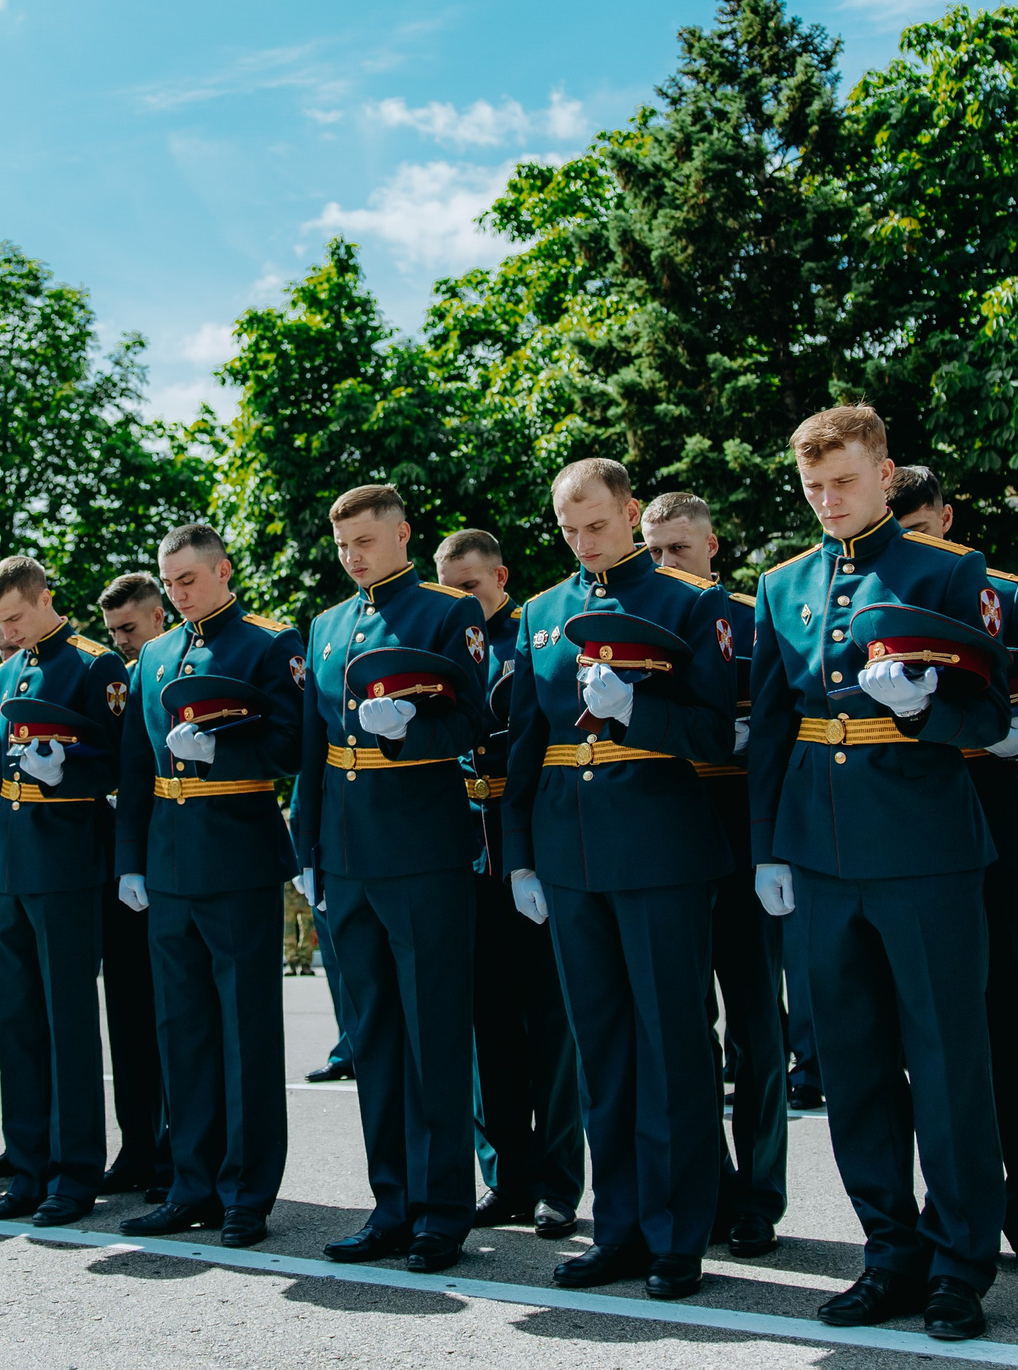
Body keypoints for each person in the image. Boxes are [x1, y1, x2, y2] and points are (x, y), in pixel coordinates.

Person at [751, 407, 1012, 1341]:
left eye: (845, 484)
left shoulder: (948, 571)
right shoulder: (782, 586)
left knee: (946, 1062)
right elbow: (775, 724)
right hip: (820, 855)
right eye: (814, 487)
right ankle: (888, 1251)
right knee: (854, 1066)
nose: (828, 502)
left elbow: (990, 721)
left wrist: (924, 709)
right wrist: (768, 846)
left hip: (924, 852)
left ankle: (958, 1264)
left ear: (885, 474)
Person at [503, 462, 740, 1299]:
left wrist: (643, 712)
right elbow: (523, 747)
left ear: (630, 512)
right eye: (568, 530)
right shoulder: (540, 613)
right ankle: (623, 1227)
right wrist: (520, 854)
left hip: (663, 853)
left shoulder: (689, 602)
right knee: (602, 1049)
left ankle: (680, 1235)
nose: (582, 542)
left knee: (672, 1046)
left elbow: (718, 734)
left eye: (596, 526)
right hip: (569, 858)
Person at [295, 484, 491, 1275]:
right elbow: (313, 748)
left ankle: (442, 1211)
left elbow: (475, 718)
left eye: (367, 542)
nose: (354, 557)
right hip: (347, 855)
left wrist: (411, 732)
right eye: (343, 545)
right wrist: (308, 849)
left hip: (423, 851)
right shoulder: (326, 626)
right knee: (374, 1037)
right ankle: (391, 1203)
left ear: (405, 534)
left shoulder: (449, 613)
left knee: (433, 1032)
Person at [890, 466, 1018, 1285]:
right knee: (926, 1041)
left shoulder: (999, 589)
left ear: (947, 518)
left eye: (924, 529)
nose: (914, 547)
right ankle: (943, 1218)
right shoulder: (851, 592)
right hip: (905, 841)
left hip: (997, 829)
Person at [114, 524, 304, 1247]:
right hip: (168, 861)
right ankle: (189, 1183)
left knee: (245, 1032)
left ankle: (246, 1195)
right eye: (170, 583)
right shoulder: (157, 655)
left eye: (189, 580)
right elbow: (136, 765)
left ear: (224, 570)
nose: (179, 593)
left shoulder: (266, 641)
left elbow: (292, 744)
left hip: (238, 859)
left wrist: (222, 746)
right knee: (182, 1033)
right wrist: (131, 859)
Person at [0, 555, 133, 1226]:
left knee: (67, 1027)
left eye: (14, 617)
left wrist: (67, 765)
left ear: (45, 599)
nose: (6, 633)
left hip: (67, 864)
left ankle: (74, 1175)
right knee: (19, 1029)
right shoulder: (6, 672)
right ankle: (28, 1169)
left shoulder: (95, 665)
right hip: (10, 866)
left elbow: (124, 756)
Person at [639, 493, 778, 1260]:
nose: (665, 564)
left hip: (742, 836)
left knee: (757, 1024)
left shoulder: (755, 616)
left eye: (679, 550)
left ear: (713, 545)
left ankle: (758, 1193)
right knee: (685, 1030)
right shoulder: (635, 620)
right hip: (666, 844)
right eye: (653, 550)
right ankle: (710, 1186)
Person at [439, 525, 585, 1242]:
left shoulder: (530, 637)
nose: (461, 600)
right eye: (448, 589)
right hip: (467, 856)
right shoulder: (440, 648)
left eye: (469, 586)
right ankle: (504, 1178)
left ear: (500, 577)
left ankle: (558, 1182)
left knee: (548, 1029)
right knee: (484, 1029)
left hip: (528, 848)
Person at [93, 570, 174, 1201]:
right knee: (126, 1015)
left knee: (172, 1017)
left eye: (129, 627)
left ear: (159, 617)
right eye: (111, 629)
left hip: (172, 861)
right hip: (122, 867)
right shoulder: (119, 676)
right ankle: (137, 1144)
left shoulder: (167, 668)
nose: (119, 639)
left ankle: (176, 1146)